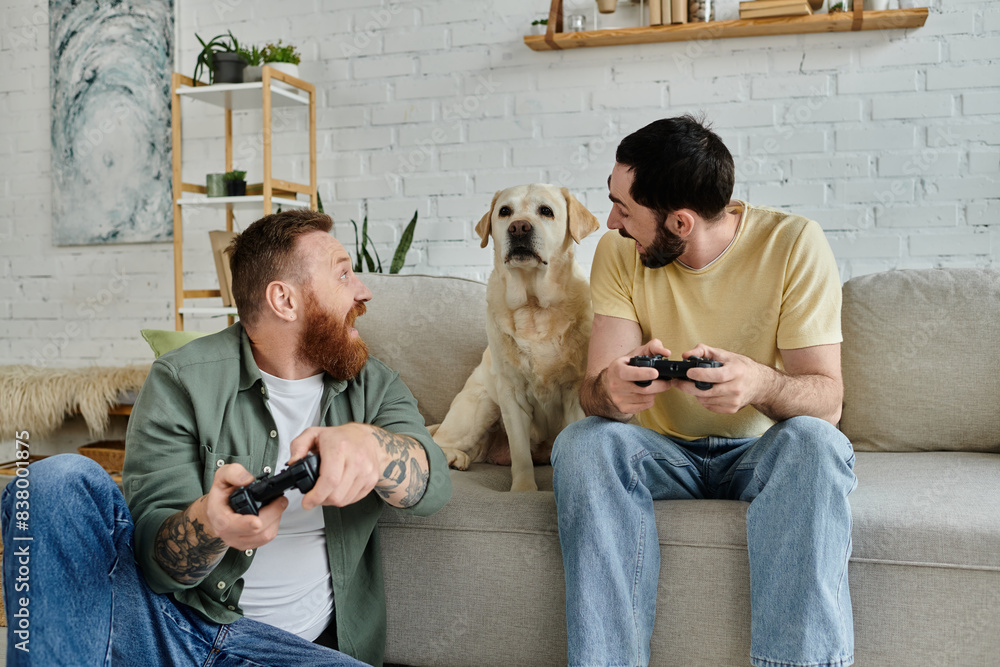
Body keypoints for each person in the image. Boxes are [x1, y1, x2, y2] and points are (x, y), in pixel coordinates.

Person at [1, 209, 452, 666]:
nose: (363, 291)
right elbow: (157, 562)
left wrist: (373, 448)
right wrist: (214, 525)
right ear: (284, 299)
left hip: (281, 653)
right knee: (51, 481)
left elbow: (432, 489)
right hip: (167, 625)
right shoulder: (182, 380)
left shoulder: (373, 386)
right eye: (344, 274)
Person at [552, 116, 857, 667]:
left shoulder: (793, 244)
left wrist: (759, 382)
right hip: (660, 454)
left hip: (759, 452)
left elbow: (827, 402)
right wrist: (613, 389)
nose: (611, 221)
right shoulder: (618, 253)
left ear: (681, 222)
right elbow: (593, 394)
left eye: (624, 209)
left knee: (817, 444)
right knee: (584, 442)